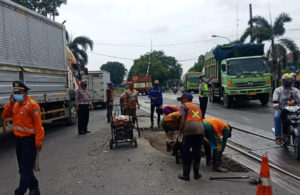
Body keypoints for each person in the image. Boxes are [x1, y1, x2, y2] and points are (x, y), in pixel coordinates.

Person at [2, 81, 44, 195]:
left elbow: (38, 126)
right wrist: (10, 103)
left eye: (19, 92)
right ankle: (35, 188)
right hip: (18, 141)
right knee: (23, 168)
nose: (16, 94)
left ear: (25, 92)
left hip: (29, 141)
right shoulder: (15, 105)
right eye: (15, 92)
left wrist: (38, 142)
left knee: (25, 170)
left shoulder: (32, 105)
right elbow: (4, 116)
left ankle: (19, 192)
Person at [177, 93, 205, 181]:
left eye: (182, 99)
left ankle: (186, 175)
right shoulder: (197, 107)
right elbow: (201, 119)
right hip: (200, 128)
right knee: (197, 149)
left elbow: (182, 120)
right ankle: (196, 175)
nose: (181, 101)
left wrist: (180, 132)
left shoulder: (184, 106)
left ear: (186, 99)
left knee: (186, 149)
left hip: (189, 128)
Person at [273, 73, 300, 145]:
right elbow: (275, 100)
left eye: (290, 81)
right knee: (277, 117)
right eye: (286, 81)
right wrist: (276, 105)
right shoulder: (278, 90)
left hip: (294, 108)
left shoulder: (296, 90)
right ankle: (278, 136)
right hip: (281, 108)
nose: (288, 83)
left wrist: (295, 102)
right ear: (283, 81)